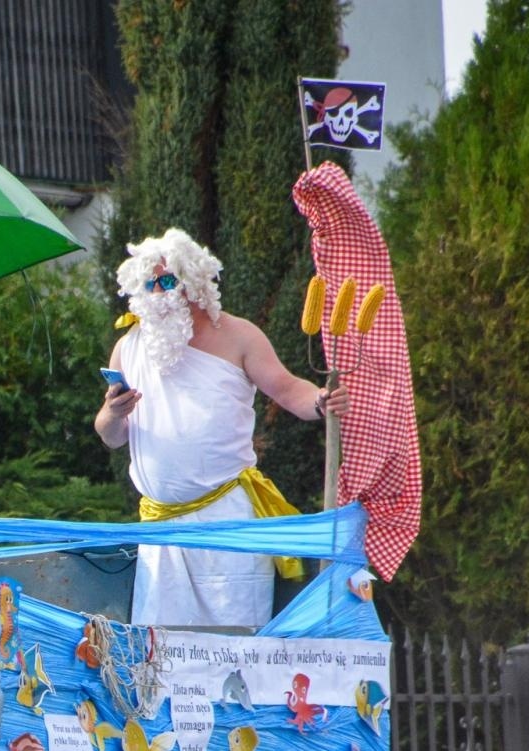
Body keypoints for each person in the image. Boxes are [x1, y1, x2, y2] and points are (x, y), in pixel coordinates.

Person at [93, 228, 348, 629]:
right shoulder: (128, 346)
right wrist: (112, 412)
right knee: (162, 656)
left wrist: (320, 401)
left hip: (228, 521)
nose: (158, 292)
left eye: (168, 281)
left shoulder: (239, 335)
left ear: (193, 281)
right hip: (161, 531)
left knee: (233, 650)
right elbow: (111, 436)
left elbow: (287, 389)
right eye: (150, 283)